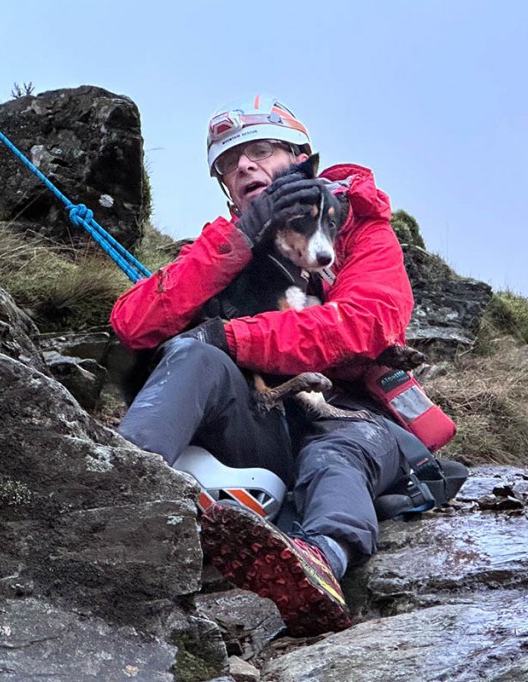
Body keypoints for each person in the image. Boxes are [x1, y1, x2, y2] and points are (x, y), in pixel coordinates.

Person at [110, 94, 430, 637]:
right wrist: (238, 239)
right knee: (192, 356)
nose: (244, 166)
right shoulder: (221, 246)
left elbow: (366, 323)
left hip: (349, 416)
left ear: (302, 160)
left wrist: (231, 336)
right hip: (262, 427)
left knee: (338, 453)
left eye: (261, 151)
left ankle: (319, 560)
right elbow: (132, 324)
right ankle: (116, 491)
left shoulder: (361, 232)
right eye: (229, 164)